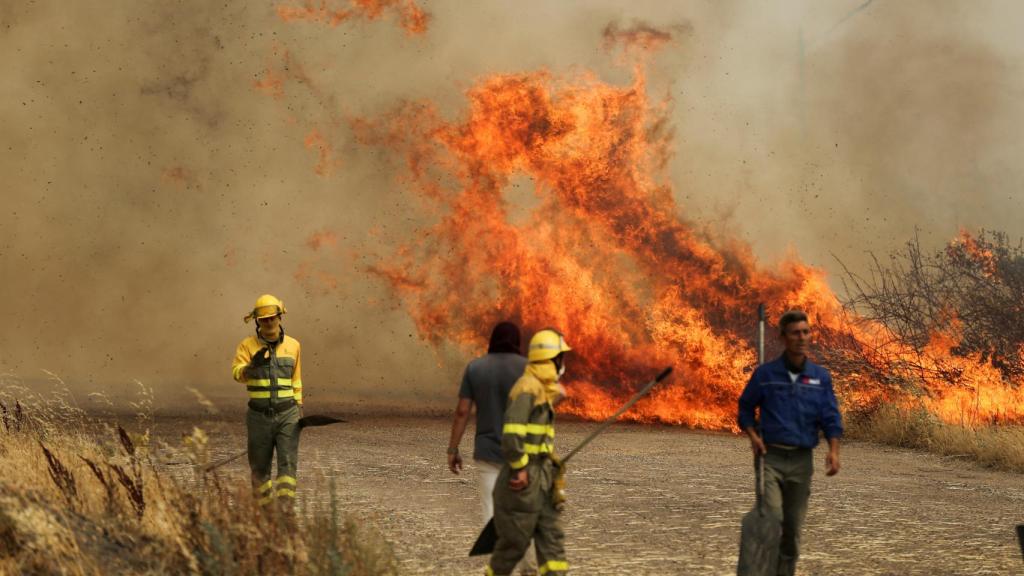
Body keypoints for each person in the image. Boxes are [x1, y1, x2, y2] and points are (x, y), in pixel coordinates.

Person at [737, 310, 843, 576]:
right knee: (772, 518)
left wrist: (833, 451)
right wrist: (753, 436)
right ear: (783, 337)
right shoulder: (766, 374)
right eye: (795, 333)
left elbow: (830, 416)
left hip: (801, 461)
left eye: (806, 332)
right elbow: (745, 408)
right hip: (770, 458)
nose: (802, 338)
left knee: (793, 531)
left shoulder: (820, 377)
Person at [447, 322, 536, 575]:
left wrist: (453, 449)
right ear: (516, 341)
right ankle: (528, 565)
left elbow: (463, 411)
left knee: (491, 510)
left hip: (487, 452)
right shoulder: (528, 368)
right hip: (522, 452)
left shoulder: (475, 368)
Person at [486, 328, 571, 576]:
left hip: (543, 476)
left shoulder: (541, 388)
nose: (563, 364)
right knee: (515, 543)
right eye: (560, 358)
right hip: (525, 478)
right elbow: (512, 432)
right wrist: (519, 467)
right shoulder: (527, 388)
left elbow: (557, 396)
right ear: (552, 360)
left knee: (552, 538)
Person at [232, 294, 304, 511]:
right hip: (259, 417)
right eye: (264, 319)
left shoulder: (294, 346)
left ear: (280, 317)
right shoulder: (246, 346)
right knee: (260, 468)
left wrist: (299, 408)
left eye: (273, 318)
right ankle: (265, 515)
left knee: (288, 464)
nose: (269, 323)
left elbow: (296, 380)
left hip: (288, 414)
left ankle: (285, 511)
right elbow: (237, 374)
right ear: (257, 321)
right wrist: (250, 367)